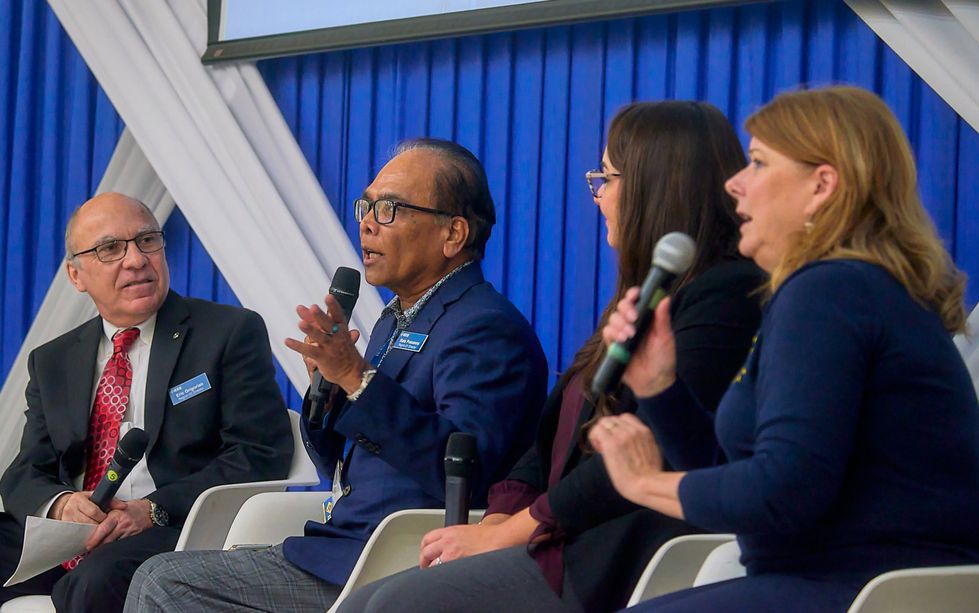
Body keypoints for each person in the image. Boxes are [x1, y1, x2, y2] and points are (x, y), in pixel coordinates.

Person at [338, 101, 766, 613]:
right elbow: (550, 438)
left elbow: (635, 451)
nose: (599, 197)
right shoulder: (649, 289)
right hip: (553, 539)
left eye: (606, 179)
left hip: (611, 554)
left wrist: (516, 530)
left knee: (396, 605)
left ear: (657, 183)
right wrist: (504, 514)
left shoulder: (725, 295)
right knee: (368, 602)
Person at [592, 86, 979, 612]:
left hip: (854, 588)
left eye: (757, 163)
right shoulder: (849, 288)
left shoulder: (829, 291)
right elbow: (735, 473)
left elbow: (781, 494)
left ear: (822, 186)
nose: (734, 184)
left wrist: (645, 481)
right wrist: (660, 387)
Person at [125, 138, 549, 612]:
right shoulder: (396, 318)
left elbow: (459, 473)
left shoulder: (484, 328)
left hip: (391, 561)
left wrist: (357, 378)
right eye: (365, 205)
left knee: (164, 581)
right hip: (338, 544)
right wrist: (326, 392)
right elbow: (344, 470)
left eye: (390, 208)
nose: (367, 223)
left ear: (452, 235)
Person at [0, 193, 293, 612]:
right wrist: (62, 505)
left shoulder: (227, 333)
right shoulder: (53, 359)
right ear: (76, 275)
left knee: (95, 582)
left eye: (147, 241)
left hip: (170, 526)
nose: (136, 260)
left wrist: (150, 510)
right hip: (75, 532)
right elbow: (27, 470)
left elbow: (259, 454)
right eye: (110, 249)